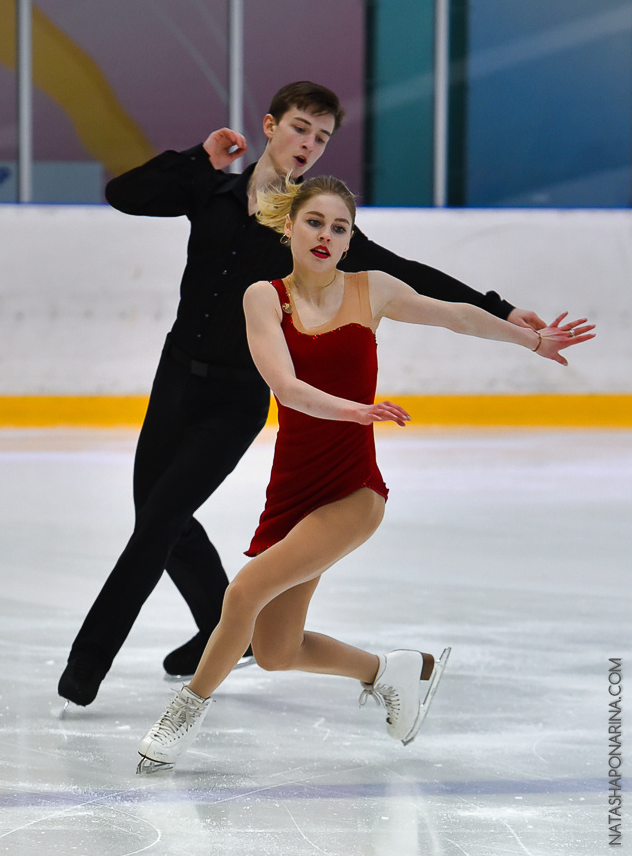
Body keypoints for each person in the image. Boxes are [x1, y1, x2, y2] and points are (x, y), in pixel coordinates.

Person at [58, 81, 547, 709]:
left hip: (236, 402)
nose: (309, 145)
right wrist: (198, 158)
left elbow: (416, 279)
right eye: (299, 128)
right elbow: (123, 195)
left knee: (157, 521)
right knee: (161, 516)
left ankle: (85, 667)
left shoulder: (312, 231)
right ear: (270, 126)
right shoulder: (209, 188)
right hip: (174, 378)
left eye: (321, 137)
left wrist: (500, 309)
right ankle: (218, 627)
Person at [135, 175, 594, 772]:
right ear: (291, 228)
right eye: (315, 223)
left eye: (340, 227)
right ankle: (388, 672)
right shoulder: (262, 298)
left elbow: (454, 315)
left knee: (242, 592)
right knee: (275, 651)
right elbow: (285, 387)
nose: (326, 235)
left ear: (351, 241)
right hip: (292, 492)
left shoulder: (371, 290)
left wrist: (527, 338)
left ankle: (181, 719)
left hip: (353, 491)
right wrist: (355, 408)